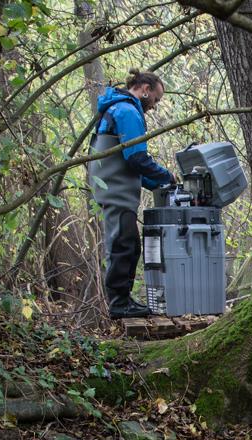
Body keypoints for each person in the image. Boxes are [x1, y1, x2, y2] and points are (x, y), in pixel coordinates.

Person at [89, 70, 175, 319]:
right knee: (122, 245)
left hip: (114, 184)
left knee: (128, 244)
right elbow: (136, 158)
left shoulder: (117, 107)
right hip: (116, 189)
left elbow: (131, 164)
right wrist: (166, 176)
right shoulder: (127, 111)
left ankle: (123, 300)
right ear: (145, 89)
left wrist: (156, 183)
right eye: (156, 100)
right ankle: (119, 304)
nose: (155, 106)